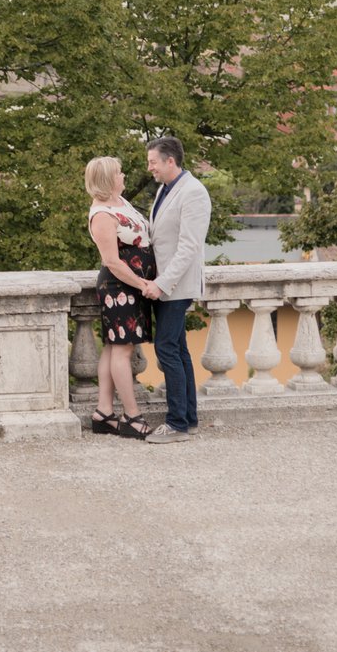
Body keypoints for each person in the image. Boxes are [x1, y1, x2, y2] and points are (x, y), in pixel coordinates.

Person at [83, 155, 157, 439]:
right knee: (123, 350)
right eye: (119, 173)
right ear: (107, 179)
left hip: (130, 287)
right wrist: (141, 284)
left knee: (114, 348)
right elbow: (112, 261)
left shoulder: (120, 203)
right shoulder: (101, 214)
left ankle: (103, 413)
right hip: (119, 287)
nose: (124, 176)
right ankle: (131, 416)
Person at [143, 135, 209, 443]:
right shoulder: (163, 189)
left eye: (153, 162)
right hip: (165, 283)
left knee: (166, 349)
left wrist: (161, 284)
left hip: (176, 286)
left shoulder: (193, 192)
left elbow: (189, 248)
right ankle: (189, 419)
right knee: (179, 351)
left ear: (171, 161)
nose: (150, 168)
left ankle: (177, 423)